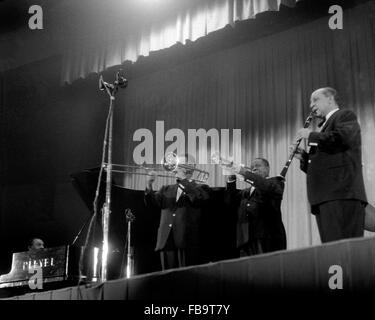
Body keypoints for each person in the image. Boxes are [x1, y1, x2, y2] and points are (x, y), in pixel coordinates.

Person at [295, 87, 367, 243]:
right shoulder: (323, 128)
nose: (311, 105)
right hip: (326, 197)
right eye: (310, 102)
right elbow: (325, 166)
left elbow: (344, 138)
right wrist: (304, 157)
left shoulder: (344, 115)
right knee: (332, 251)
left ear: (330, 99)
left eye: (315, 99)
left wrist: (311, 135)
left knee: (345, 252)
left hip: (341, 194)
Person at [144, 154, 210, 270]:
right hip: (166, 239)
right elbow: (151, 205)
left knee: (185, 279)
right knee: (167, 279)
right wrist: (149, 184)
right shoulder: (166, 189)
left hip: (186, 240)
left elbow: (197, 199)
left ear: (191, 167)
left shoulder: (201, 188)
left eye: (181, 164)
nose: (177, 167)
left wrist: (183, 180)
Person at [224, 158, 287, 256]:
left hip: (267, 239)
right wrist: (231, 178)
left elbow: (263, 185)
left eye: (258, 165)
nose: (254, 168)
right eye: (252, 166)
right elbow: (230, 201)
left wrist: (242, 171)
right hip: (246, 240)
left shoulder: (276, 182)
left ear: (267, 169)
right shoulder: (246, 192)